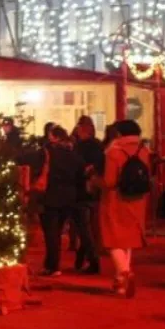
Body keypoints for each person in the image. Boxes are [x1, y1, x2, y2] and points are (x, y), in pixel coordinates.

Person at [100, 119, 150, 298]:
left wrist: (95, 181)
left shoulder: (113, 151)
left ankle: (124, 273)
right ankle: (120, 282)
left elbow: (110, 181)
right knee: (128, 240)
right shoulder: (143, 150)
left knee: (113, 240)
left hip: (116, 200)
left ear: (119, 133)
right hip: (137, 200)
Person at [38, 126, 86, 276]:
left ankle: (52, 265)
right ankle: (52, 265)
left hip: (51, 195)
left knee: (51, 233)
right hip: (69, 197)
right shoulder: (74, 154)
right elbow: (81, 175)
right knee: (58, 230)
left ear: (55, 137)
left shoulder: (48, 153)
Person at [73, 116, 104, 273]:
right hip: (94, 189)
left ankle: (92, 260)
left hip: (81, 189)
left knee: (83, 227)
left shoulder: (79, 147)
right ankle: (83, 257)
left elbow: (77, 167)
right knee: (88, 226)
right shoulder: (98, 145)